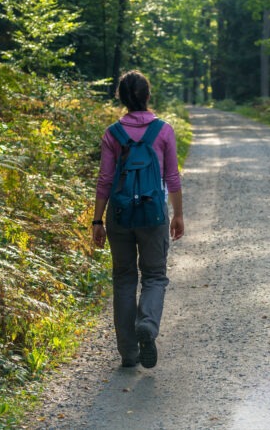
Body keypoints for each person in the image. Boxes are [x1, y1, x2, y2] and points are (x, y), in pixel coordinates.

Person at [92, 70, 184, 369]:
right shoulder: (164, 131)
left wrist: (97, 221)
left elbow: (105, 179)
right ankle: (147, 324)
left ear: (120, 97)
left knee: (124, 279)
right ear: (147, 95)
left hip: (119, 215)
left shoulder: (112, 133)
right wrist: (178, 214)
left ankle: (129, 354)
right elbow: (171, 176)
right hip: (153, 214)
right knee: (155, 276)